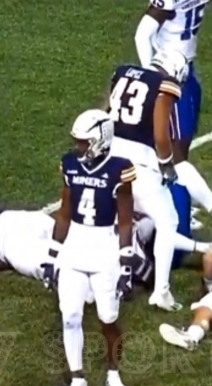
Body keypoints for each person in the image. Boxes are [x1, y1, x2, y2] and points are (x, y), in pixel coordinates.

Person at [134, 0, 212, 244]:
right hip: (169, 73)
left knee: (180, 148)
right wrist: (151, 77)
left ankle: (180, 205)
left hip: (185, 71)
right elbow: (142, 34)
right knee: (175, 155)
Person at [42, 109, 134, 386]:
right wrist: (51, 256)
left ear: (99, 140)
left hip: (105, 246)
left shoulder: (120, 168)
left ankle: (113, 371)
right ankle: (77, 377)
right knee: (69, 316)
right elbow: (64, 212)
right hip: (75, 246)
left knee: (108, 318)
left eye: (83, 141)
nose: (78, 146)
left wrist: (126, 264)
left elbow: (126, 221)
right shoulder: (70, 163)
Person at [108, 50, 186, 311]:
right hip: (139, 165)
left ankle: (119, 276)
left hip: (110, 160)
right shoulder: (165, 85)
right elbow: (160, 135)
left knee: (118, 219)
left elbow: (105, 115)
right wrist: (167, 166)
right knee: (168, 221)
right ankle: (161, 291)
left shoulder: (123, 72)